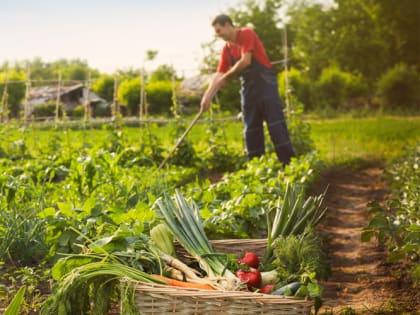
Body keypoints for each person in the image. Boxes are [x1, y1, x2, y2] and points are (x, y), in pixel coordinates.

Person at [200, 14, 296, 165]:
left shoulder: (246, 33)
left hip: (265, 84)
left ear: (227, 25)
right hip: (248, 88)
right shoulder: (227, 50)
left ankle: (289, 165)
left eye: (219, 31)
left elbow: (246, 61)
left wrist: (226, 78)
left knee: (275, 125)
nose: (218, 35)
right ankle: (257, 168)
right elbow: (218, 75)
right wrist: (207, 97)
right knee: (251, 129)